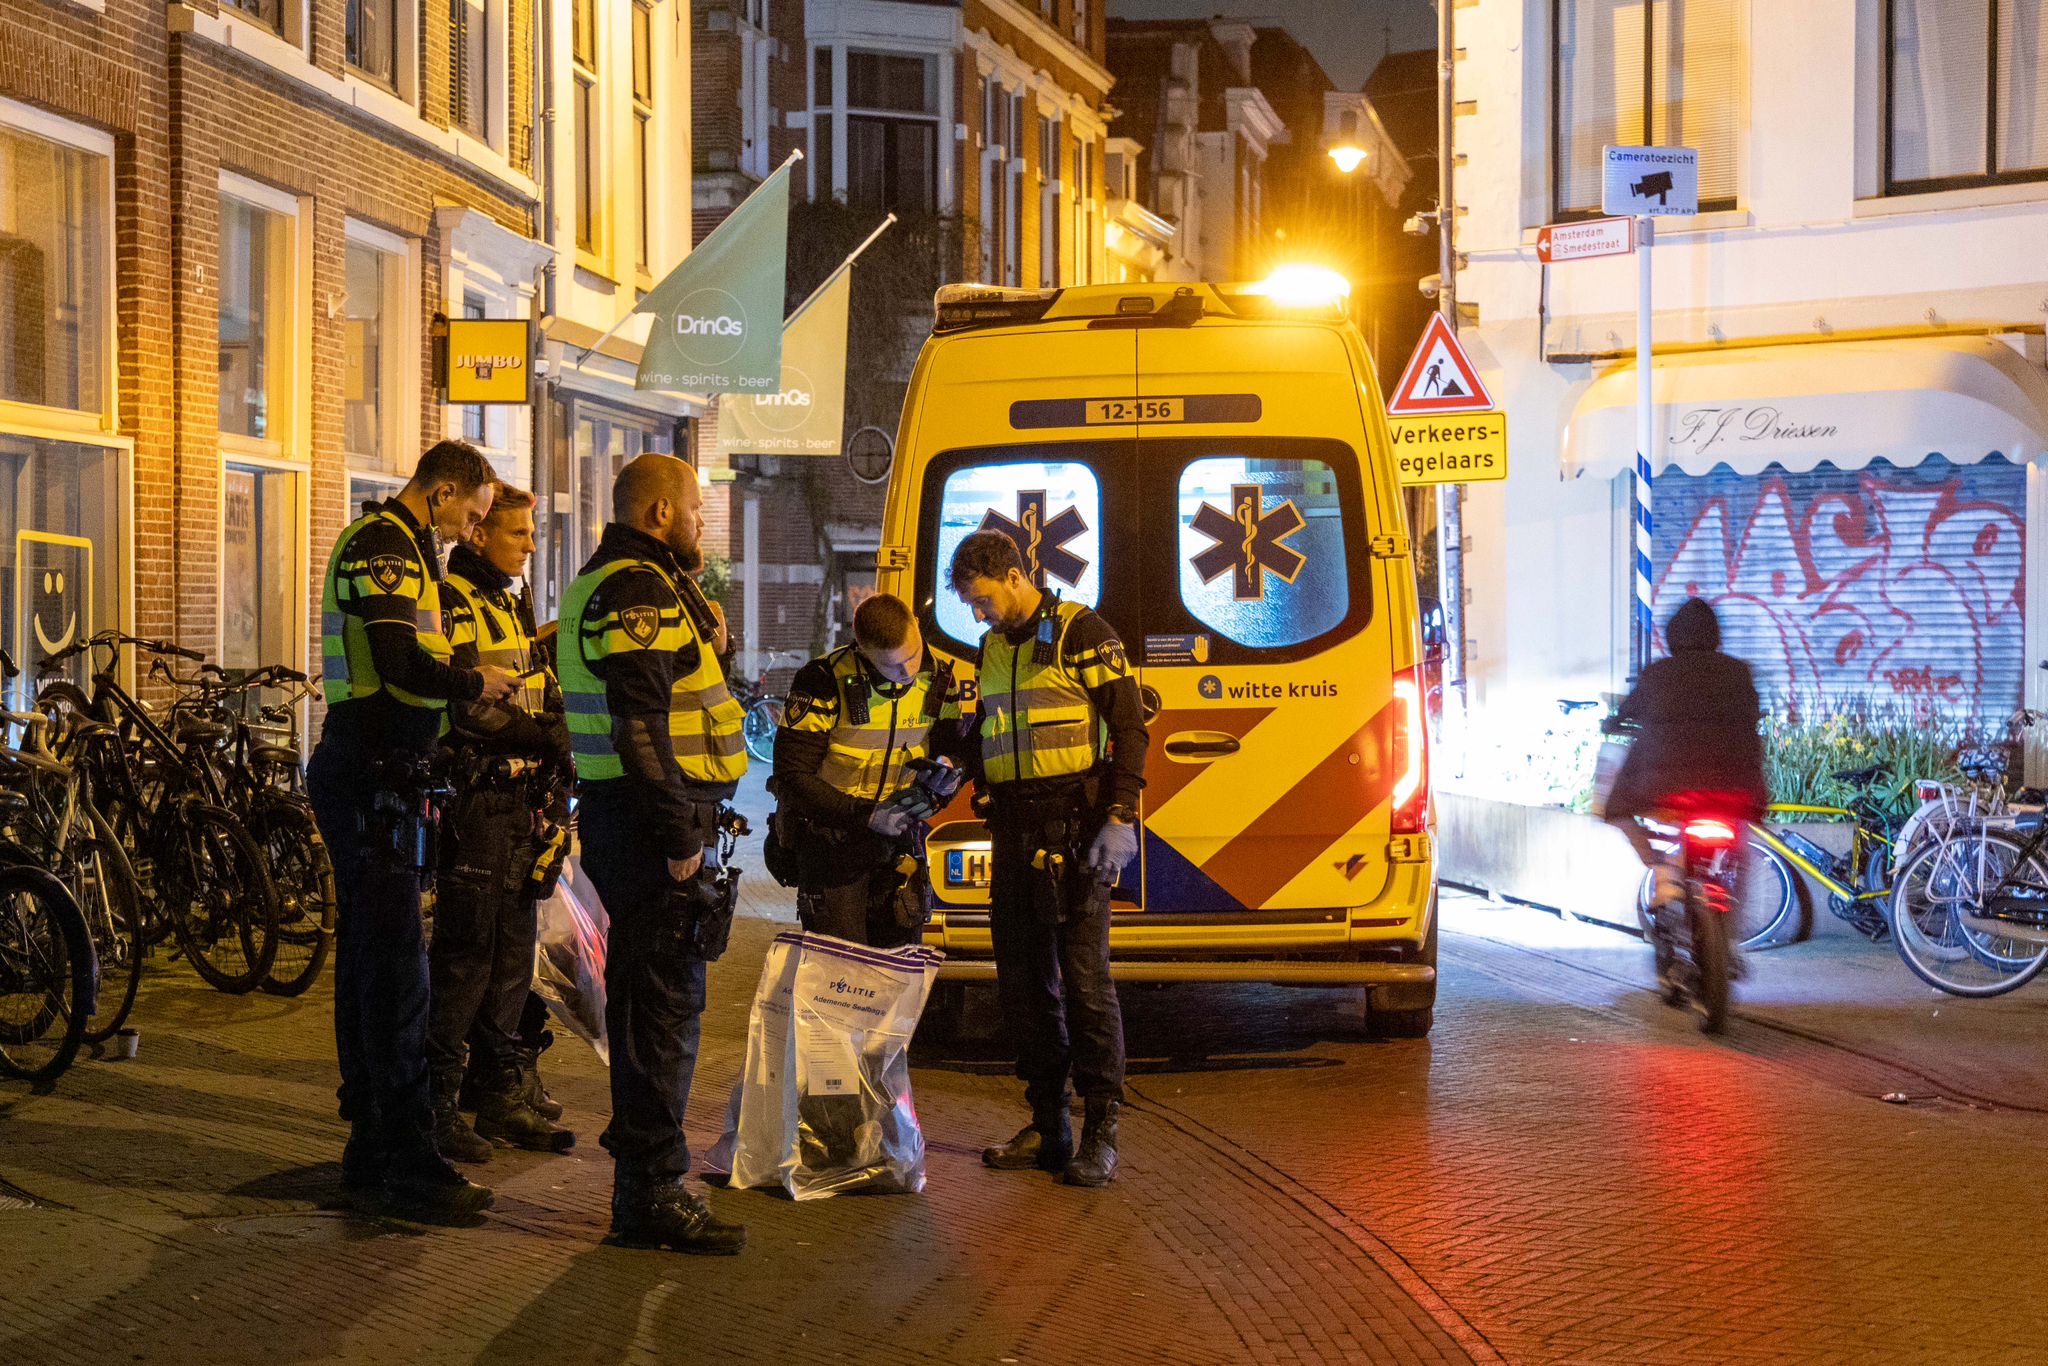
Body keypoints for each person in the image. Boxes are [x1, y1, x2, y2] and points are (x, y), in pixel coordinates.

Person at [307, 439, 518, 1218]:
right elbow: (398, 661)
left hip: (380, 775)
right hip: (372, 776)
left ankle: (371, 1145)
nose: (475, 523)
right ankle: (407, 1159)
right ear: (444, 489)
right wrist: (474, 682)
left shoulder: (404, 550)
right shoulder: (385, 547)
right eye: (475, 508)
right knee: (395, 973)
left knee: (375, 962)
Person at [557, 453, 748, 1255]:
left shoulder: (630, 582)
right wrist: (678, 840)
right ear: (661, 513)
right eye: (697, 509)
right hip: (649, 827)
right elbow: (641, 724)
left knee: (654, 1006)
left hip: (630, 819)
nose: (704, 522)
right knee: (662, 1012)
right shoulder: (636, 591)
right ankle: (651, 1192)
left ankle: (645, 1186)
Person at [948, 531, 1148, 1188]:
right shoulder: (994, 646)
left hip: (1074, 827)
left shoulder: (1081, 632)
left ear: (1012, 576)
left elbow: (1128, 728)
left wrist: (1119, 814)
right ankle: (1048, 1123)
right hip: (1013, 828)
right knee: (1024, 985)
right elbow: (995, 733)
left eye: (981, 601)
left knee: (1086, 983)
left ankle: (1101, 1131)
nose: (977, 616)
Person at [426, 481, 577, 1162]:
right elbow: (467, 706)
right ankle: (434, 1107)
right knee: (466, 960)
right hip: (481, 804)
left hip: (520, 804)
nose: (529, 546)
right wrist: (542, 736)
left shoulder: (507, 605)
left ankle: (499, 1096)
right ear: (479, 534)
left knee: (514, 958)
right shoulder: (455, 603)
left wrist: (558, 742)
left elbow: (537, 682)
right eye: (518, 534)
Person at [771, 593, 967, 948]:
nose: (907, 672)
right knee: (837, 975)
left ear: (917, 627)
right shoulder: (823, 680)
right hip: (834, 847)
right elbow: (792, 777)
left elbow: (953, 747)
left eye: (912, 655)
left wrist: (948, 768)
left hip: (899, 844)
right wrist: (867, 816)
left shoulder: (940, 678)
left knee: (895, 976)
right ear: (861, 650)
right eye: (891, 667)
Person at [1603, 596, 1769, 895]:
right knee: (1738, 844)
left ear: (1672, 637)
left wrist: (1613, 724)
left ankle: (1660, 867)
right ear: (1715, 636)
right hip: (1734, 788)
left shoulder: (1657, 673)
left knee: (1616, 811)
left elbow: (1628, 712)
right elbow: (1752, 714)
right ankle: (1729, 914)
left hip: (1668, 791)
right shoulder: (1738, 672)